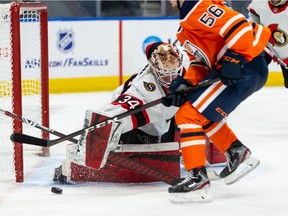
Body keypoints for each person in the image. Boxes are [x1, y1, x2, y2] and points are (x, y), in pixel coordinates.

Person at [165, 0, 271, 203]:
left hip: (245, 67)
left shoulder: (194, 5)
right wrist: (184, 83)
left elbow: (238, 23)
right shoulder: (185, 25)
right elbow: (200, 63)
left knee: (188, 115)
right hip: (241, 68)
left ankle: (197, 180)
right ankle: (236, 152)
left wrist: (236, 57)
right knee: (198, 110)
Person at [53, 42, 185, 183]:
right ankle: (71, 167)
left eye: (174, 73)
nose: (171, 80)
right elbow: (113, 114)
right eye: (165, 75)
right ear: (154, 69)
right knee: (128, 144)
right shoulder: (142, 90)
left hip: (164, 122)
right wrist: (99, 132)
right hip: (138, 129)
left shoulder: (185, 66)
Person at [248, 0, 288, 88]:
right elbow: (253, 13)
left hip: (286, 55)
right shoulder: (259, 2)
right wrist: (254, 27)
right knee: (250, 73)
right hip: (265, 47)